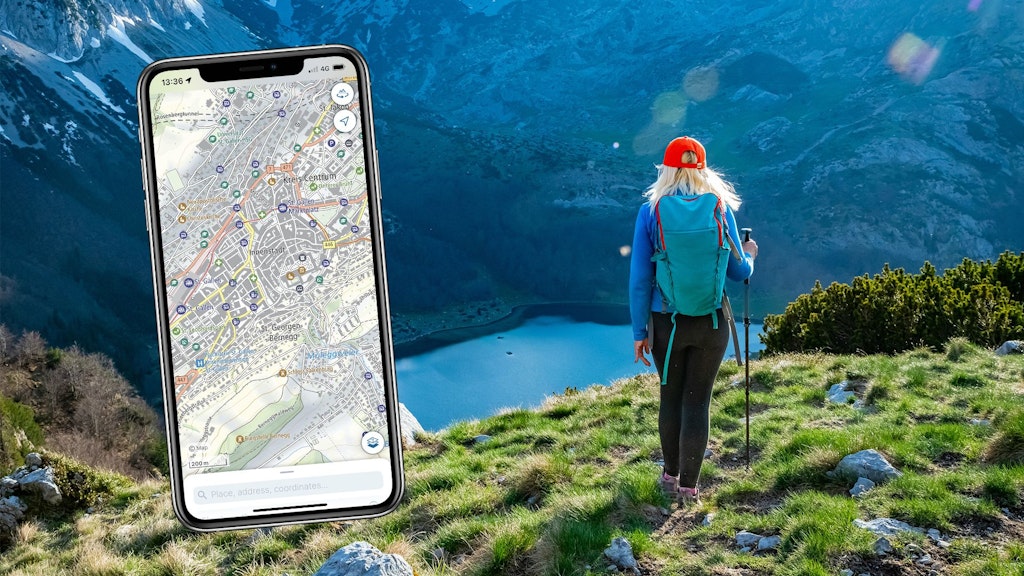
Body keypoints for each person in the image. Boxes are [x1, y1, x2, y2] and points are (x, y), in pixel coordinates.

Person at [629, 136, 758, 504]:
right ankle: (690, 488)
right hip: (711, 322)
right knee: (697, 402)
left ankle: (669, 479)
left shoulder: (651, 212)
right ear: (703, 169)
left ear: (666, 170)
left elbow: (640, 279)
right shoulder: (720, 208)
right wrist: (750, 254)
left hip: (665, 323)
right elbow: (738, 272)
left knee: (670, 398)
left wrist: (640, 331)